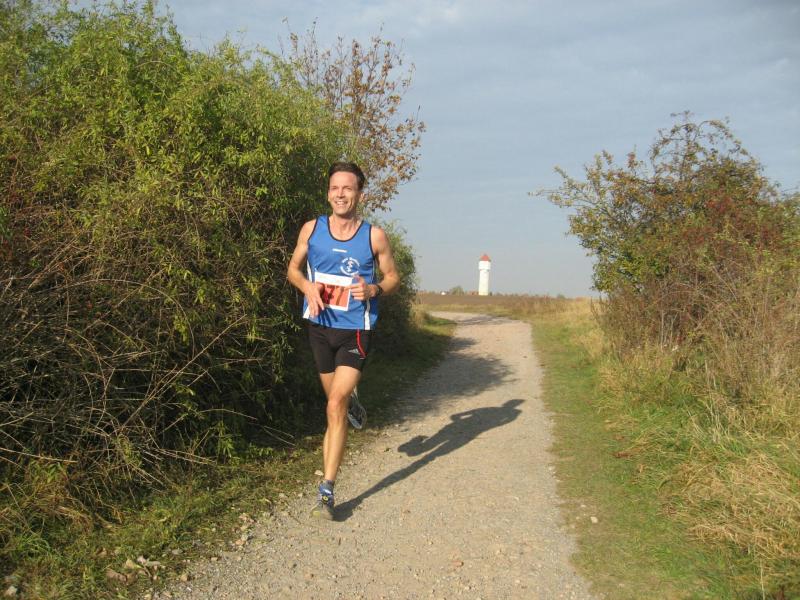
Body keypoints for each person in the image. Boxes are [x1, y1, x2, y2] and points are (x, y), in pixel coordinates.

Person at [287, 161, 400, 520]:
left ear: (360, 195)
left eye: (348, 188)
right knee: (335, 402)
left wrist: (374, 289)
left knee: (333, 405)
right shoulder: (312, 229)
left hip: (356, 330)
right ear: (328, 193)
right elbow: (292, 269)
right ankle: (351, 400)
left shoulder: (373, 236)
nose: (340, 194)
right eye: (335, 188)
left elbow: (393, 277)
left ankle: (327, 490)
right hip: (320, 328)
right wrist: (307, 286)